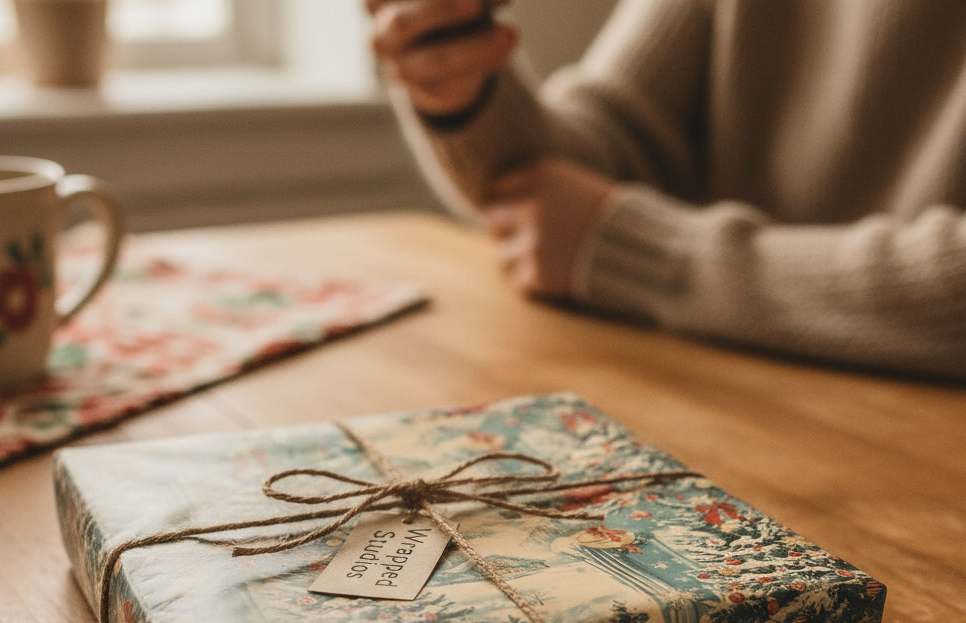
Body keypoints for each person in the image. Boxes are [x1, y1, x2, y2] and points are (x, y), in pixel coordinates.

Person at [365, 0, 966, 379]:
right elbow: (565, 184)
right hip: (732, 408)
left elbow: (590, 226)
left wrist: (652, 258)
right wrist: (461, 82)